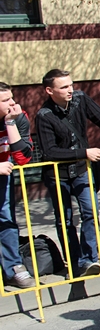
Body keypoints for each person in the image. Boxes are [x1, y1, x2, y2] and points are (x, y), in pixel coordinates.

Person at [36, 69, 100, 278]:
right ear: (50, 91)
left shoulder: (80, 99)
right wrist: (84, 153)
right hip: (57, 175)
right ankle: (75, 264)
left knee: (91, 212)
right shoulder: (44, 115)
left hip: (81, 170)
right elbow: (49, 151)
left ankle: (89, 259)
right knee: (65, 220)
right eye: (64, 87)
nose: (70, 90)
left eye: (71, 85)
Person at [0, 83, 35, 289]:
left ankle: (13, 268)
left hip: (3, 178)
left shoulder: (18, 117)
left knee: (7, 221)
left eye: (11, 97)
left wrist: (10, 123)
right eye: (5, 100)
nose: (12, 103)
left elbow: (22, 158)